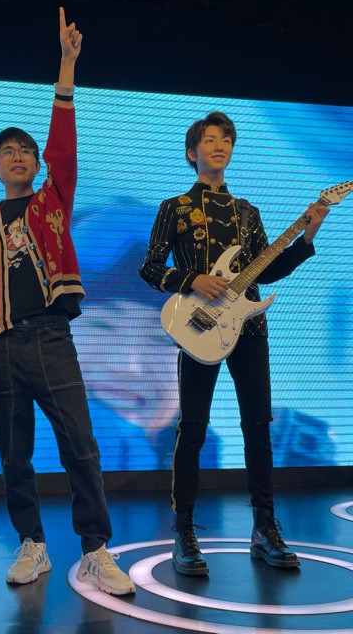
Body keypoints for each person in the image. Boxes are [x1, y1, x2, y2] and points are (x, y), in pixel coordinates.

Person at [0, 7, 134, 595]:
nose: (18, 156)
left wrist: (66, 65)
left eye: (26, 152)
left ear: (37, 166)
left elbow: (63, 145)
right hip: (2, 346)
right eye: (7, 152)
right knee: (14, 455)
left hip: (51, 338)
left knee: (80, 447)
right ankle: (31, 544)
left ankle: (95, 549)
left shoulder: (52, 200)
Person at [140, 111, 329, 576]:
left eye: (226, 139)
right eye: (209, 140)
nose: (219, 145)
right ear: (192, 152)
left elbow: (268, 269)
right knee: (193, 428)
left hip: (249, 329)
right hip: (198, 327)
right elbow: (150, 268)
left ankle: (264, 527)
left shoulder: (248, 212)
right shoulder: (175, 207)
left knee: (258, 426)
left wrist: (307, 235)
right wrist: (192, 279)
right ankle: (184, 530)